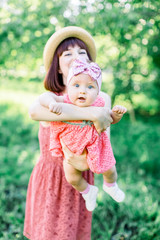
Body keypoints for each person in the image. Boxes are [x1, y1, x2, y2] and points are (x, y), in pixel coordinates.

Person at [24, 26, 115, 240]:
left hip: (81, 177)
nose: (77, 57)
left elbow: (105, 143)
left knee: (73, 231)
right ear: (57, 68)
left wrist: (90, 162)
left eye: (82, 52)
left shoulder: (103, 98)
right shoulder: (51, 97)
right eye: (68, 53)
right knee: (48, 230)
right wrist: (92, 113)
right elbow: (34, 111)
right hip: (51, 178)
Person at [39, 57, 126, 212]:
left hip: (95, 147)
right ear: (68, 86)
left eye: (90, 87)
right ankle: (88, 191)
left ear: (98, 92)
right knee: (72, 177)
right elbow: (43, 97)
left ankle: (110, 185)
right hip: (71, 150)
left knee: (110, 169)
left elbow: (110, 120)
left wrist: (117, 115)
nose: (82, 91)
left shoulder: (99, 103)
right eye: (77, 85)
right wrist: (52, 104)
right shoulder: (64, 100)